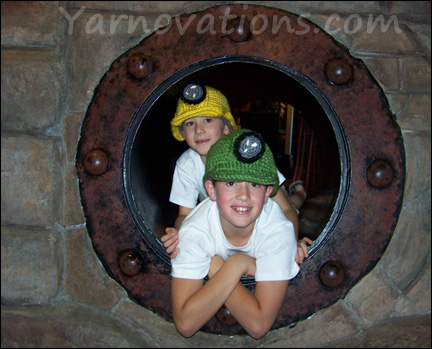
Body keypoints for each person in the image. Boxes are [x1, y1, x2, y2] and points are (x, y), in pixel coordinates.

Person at [171, 129, 300, 339]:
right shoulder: (195, 231)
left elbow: (259, 326)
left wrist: (227, 265)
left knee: (296, 206)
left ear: (268, 193)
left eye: (255, 184)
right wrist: (238, 266)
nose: (243, 195)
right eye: (231, 183)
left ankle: (299, 194)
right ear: (211, 190)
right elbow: (185, 324)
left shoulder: (277, 230)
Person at [162, 83, 311, 263]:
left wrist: (292, 242)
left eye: (208, 120)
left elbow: (285, 209)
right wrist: (180, 235)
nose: (198, 130)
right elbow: (185, 215)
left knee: (293, 204)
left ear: (226, 128)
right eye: (190, 123)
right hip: (231, 210)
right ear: (183, 133)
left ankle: (299, 192)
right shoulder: (187, 164)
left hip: (266, 203)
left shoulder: (246, 150)